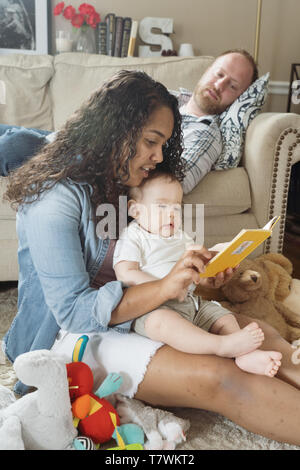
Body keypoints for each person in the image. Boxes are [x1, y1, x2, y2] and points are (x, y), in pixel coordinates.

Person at [3, 69, 300, 448]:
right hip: (73, 333)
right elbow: (74, 311)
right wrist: (163, 287)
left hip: (143, 309)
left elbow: (154, 254)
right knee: (219, 375)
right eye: (151, 141)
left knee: (259, 336)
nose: (158, 156)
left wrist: (197, 276)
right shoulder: (54, 198)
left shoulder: (126, 181)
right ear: (115, 132)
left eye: (163, 143)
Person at [0, 49, 257, 188]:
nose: (220, 84)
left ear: (238, 99)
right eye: (218, 73)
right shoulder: (165, 97)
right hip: (65, 138)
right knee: (10, 132)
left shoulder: (205, 133)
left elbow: (175, 180)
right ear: (206, 71)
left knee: (17, 143)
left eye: (232, 86)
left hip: (83, 157)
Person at [113, 170, 282, 377]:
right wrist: (164, 285)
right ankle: (221, 345)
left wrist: (212, 270)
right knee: (162, 323)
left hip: (191, 303)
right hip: (152, 307)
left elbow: (195, 274)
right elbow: (125, 273)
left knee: (222, 316)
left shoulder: (180, 237)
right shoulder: (134, 236)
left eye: (177, 207)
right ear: (135, 210)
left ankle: (245, 354)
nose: (171, 214)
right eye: (162, 206)